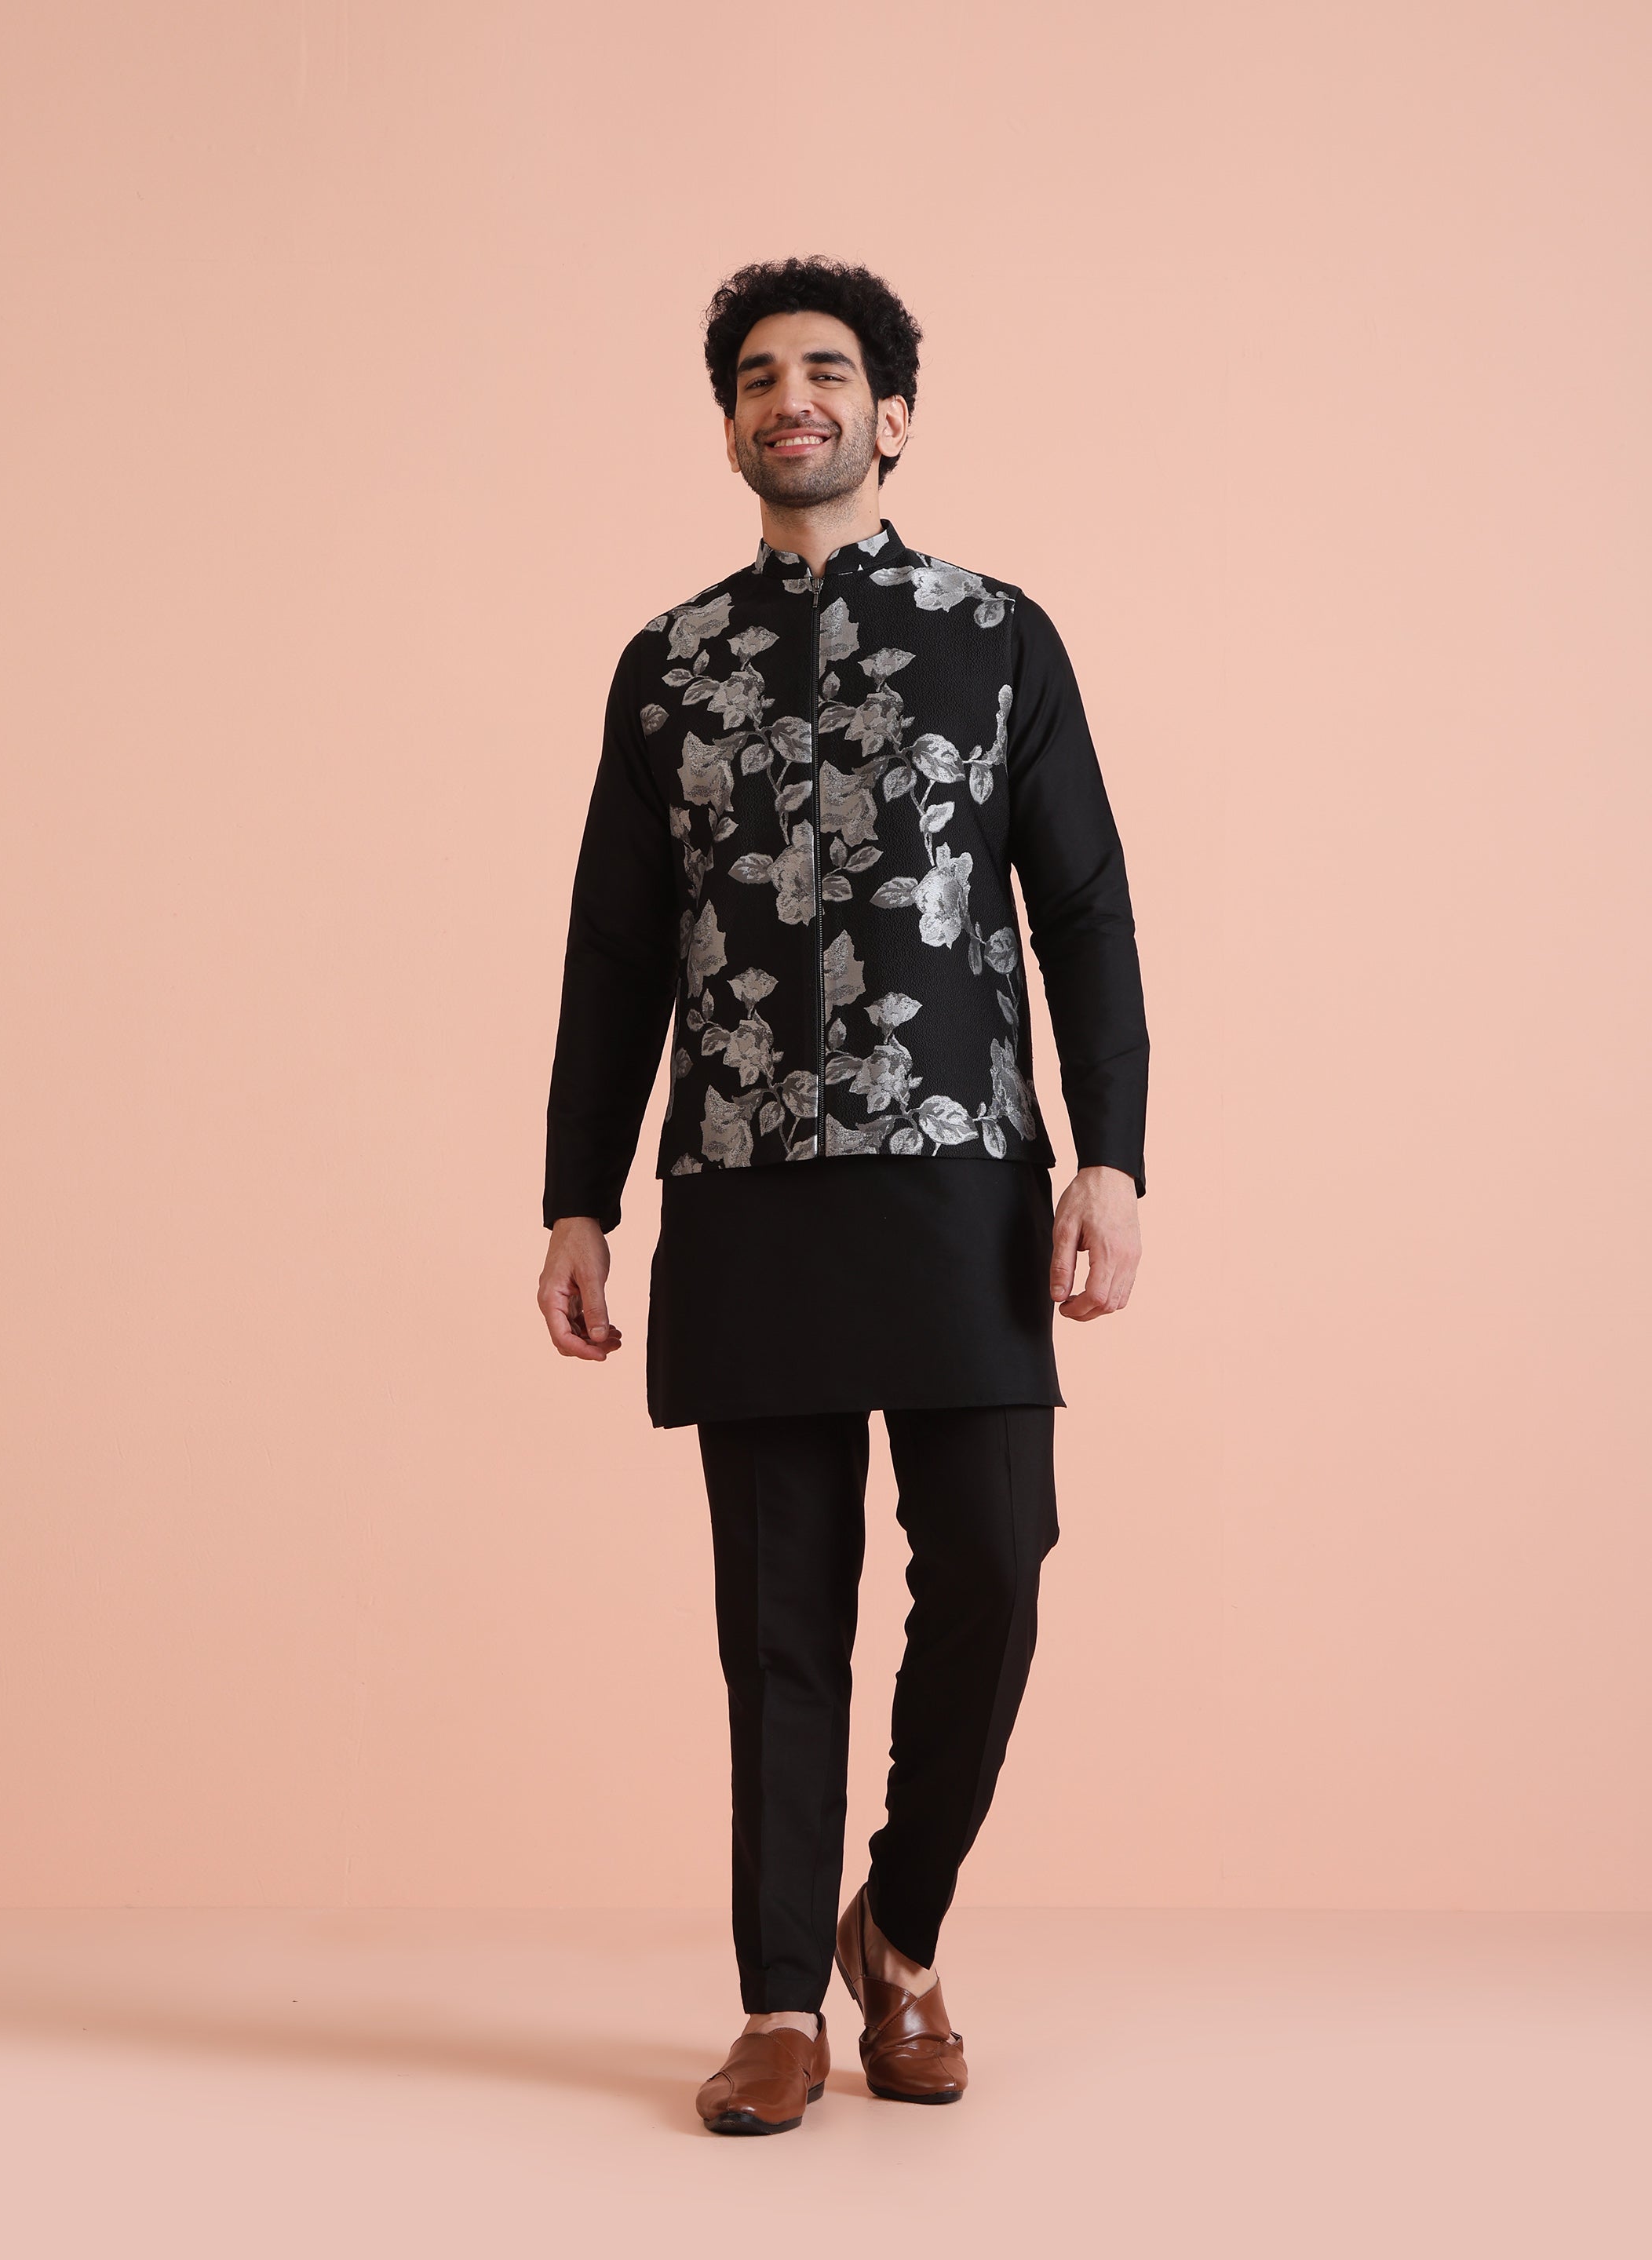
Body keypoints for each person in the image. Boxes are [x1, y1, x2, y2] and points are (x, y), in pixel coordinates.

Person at [538, 257, 1148, 2134]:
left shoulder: (998, 637)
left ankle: (906, 1924)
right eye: (753, 376)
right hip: (745, 1197)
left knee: (996, 1571)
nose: (786, 397)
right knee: (779, 1622)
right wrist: (578, 1198)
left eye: (823, 369)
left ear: (892, 414)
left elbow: (1086, 913)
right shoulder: (668, 665)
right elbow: (615, 948)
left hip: (962, 1186)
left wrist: (1112, 1157)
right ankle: (777, 2005)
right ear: (730, 424)